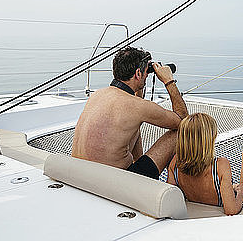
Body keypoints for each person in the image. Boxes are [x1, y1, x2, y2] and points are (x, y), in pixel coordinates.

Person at [72, 46, 188, 180]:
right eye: (145, 73)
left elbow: (134, 107)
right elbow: (183, 120)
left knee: (134, 125)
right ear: (138, 74)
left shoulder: (98, 94)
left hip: (80, 175)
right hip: (115, 182)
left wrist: (139, 83)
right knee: (180, 133)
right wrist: (169, 81)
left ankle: (138, 163)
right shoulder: (138, 107)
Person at [167, 112, 243, 215]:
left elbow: (173, 196)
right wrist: (240, 194)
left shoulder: (174, 163)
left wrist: (229, 189)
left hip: (208, 200)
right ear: (209, 139)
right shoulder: (219, 165)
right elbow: (231, 210)